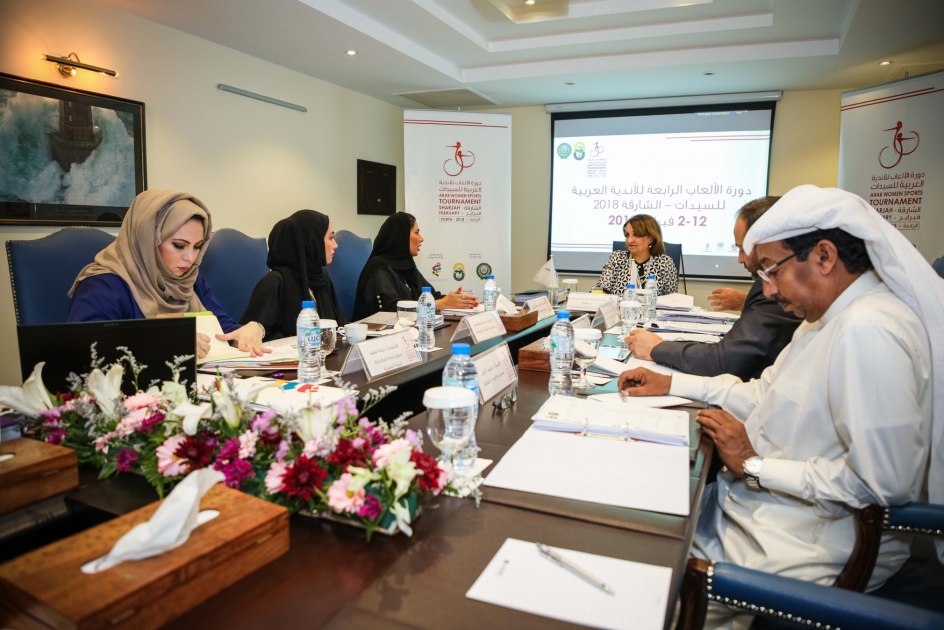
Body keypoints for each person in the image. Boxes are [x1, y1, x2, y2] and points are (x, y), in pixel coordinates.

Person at [618, 185, 943, 630]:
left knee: (638, 600)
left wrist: (754, 465)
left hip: (804, 539)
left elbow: (880, 485)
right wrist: (671, 382)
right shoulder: (824, 319)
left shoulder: (869, 331)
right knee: (637, 525)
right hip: (758, 510)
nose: (767, 290)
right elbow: (762, 395)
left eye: (771, 270)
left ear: (824, 256)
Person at [67, 190, 268, 360]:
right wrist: (163, 340)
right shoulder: (103, 286)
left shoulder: (190, 282)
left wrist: (252, 329)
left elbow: (224, 330)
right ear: (147, 239)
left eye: (197, 246)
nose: (191, 258)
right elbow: (83, 350)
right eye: (179, 246)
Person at [626, 197, 802, 381]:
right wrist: (669, 383)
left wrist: (657, 348)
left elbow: (726, 360)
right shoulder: (771, 283)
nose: (740, 259)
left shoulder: (781, 285)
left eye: (743, 249)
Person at [241, 210, 346, 341]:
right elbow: (254, 337)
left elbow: (338, 325)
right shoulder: (274, 282)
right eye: (330, 238)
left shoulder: (321, 277)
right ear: (310, 242)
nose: (335, 245)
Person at [353, 212, 478, 320]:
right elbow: (391, 312)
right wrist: (439, 304)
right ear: (401, 236)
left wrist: (454, 300)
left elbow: (431, 296)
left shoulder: (407, 266)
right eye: (416, 232)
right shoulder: (378, 266)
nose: (421, 238)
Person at [597, 214, 678, 295]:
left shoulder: (665, 263)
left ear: (650, 239)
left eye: (636, 235)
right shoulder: (617, 258)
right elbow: (601, 290)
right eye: (627, 235)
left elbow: (672, 299)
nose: (629, 240)